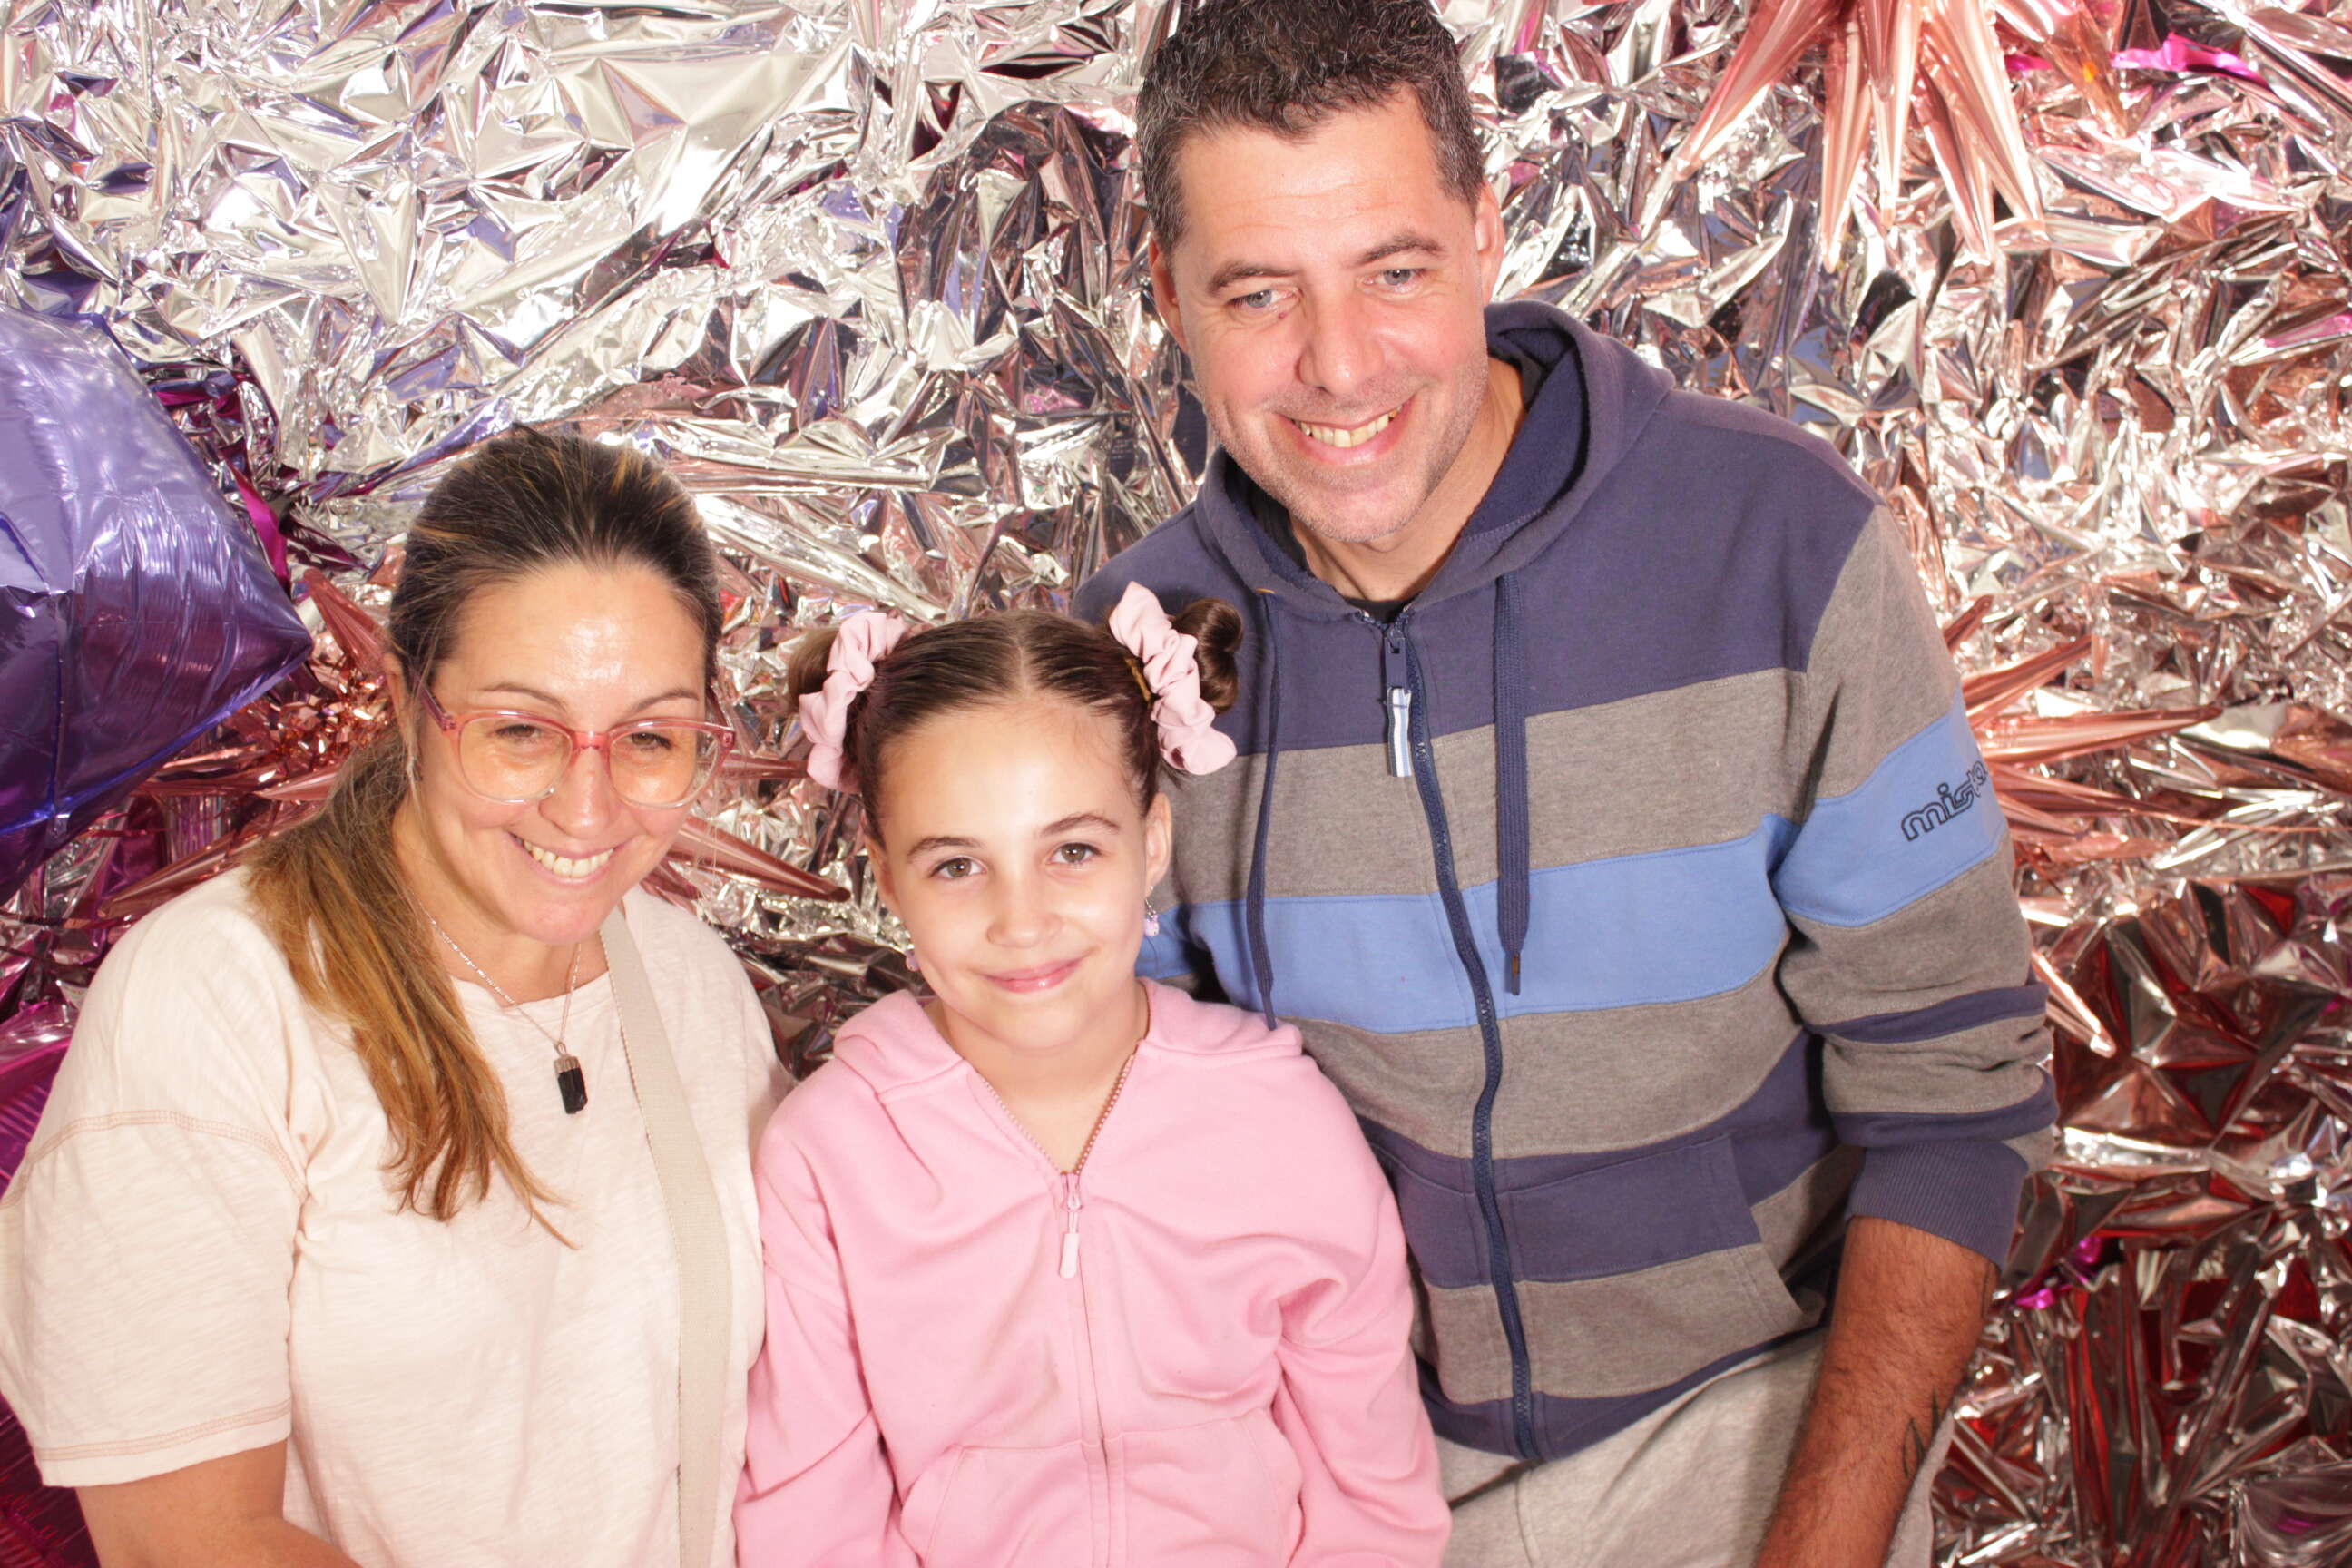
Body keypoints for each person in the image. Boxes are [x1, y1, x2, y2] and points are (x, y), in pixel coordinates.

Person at [1073, 4, 2057, 1565]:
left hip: (1756, 1429)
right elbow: (1102, 1141)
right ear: (1167, 297)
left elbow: (1956, 1093)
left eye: (1395, 271)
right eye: (1259, 293)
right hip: (1350, 1479)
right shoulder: (1129, 652)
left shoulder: (1778, 544)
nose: (1338, 365)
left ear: (1487, 228)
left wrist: (1822, 1540)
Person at [0, 428, 784, 1568]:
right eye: (521, 731)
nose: (587, 806)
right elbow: (193, 1545)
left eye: (651, 738)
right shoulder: (215, 1001)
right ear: (409, 700)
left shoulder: (692, 983)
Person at [734, 590, 1449, 1565]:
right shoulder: (826, 1158)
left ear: (1151, 844)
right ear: (888, 876)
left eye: (1072, 851)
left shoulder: (1282, 1122)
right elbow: (811, 1517)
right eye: (957, 866)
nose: (1022, 922)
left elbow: (1374, 1497)